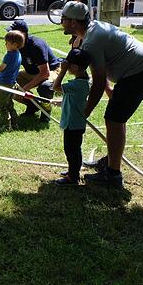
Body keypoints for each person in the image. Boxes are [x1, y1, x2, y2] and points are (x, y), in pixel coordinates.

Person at [59, 1, 143, 187]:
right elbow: (103, 64)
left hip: (142, 72)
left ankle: (113, 175)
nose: (61, 22)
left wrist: (84, 112)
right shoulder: (90, 32)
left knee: (114, 119)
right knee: (116, 117)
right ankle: (110, 162)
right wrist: (110, 91)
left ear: (74, 22)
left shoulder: (91, 40)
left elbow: (97, 82)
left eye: (63, 19)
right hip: (140, 69)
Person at [5, 20, 60, 122]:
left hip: (51, 71)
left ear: (23, 34)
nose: (9, 35)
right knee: (9, 82)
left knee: (45, 87)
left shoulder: (36, 45)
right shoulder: (15, 45)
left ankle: (46, 111)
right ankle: (34, 106)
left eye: (12, 32)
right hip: (31, 72)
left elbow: (45, 73)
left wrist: (25, 88)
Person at [52, 48, 91, 185]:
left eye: (68, 65)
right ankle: (72, 171)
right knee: (73, 150)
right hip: (74, 123)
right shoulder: (83, 82)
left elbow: (56, 87)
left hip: (73, 124)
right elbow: (75, 99)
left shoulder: (77, 84)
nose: (66, 67)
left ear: (74, 67)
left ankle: (73, 177)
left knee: (72, 151)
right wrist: (61, 101)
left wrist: (62, 71)